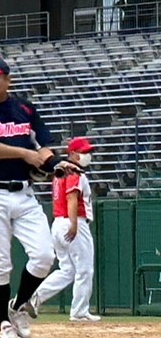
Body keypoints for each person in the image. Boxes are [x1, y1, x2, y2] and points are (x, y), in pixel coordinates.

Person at [0, 55, 76, 338]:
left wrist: (56, 166)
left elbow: (44, 148)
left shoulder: (25, 109)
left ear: (7, 80)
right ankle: (3, 324)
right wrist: (26, 155)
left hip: (23, 193)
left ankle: (18, 306)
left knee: (44, 256)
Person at [32, 137, 101, 321]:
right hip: (73, 221)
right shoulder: (73, 172)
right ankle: (79, 312)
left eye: (88, 152)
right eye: (83, 152)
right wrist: (74, 224)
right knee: (84, 270)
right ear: (71, 154)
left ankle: (34, 297)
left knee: (67, 270)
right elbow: (72, 198)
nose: (87, 156)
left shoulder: (59, 172)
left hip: (57, 223)